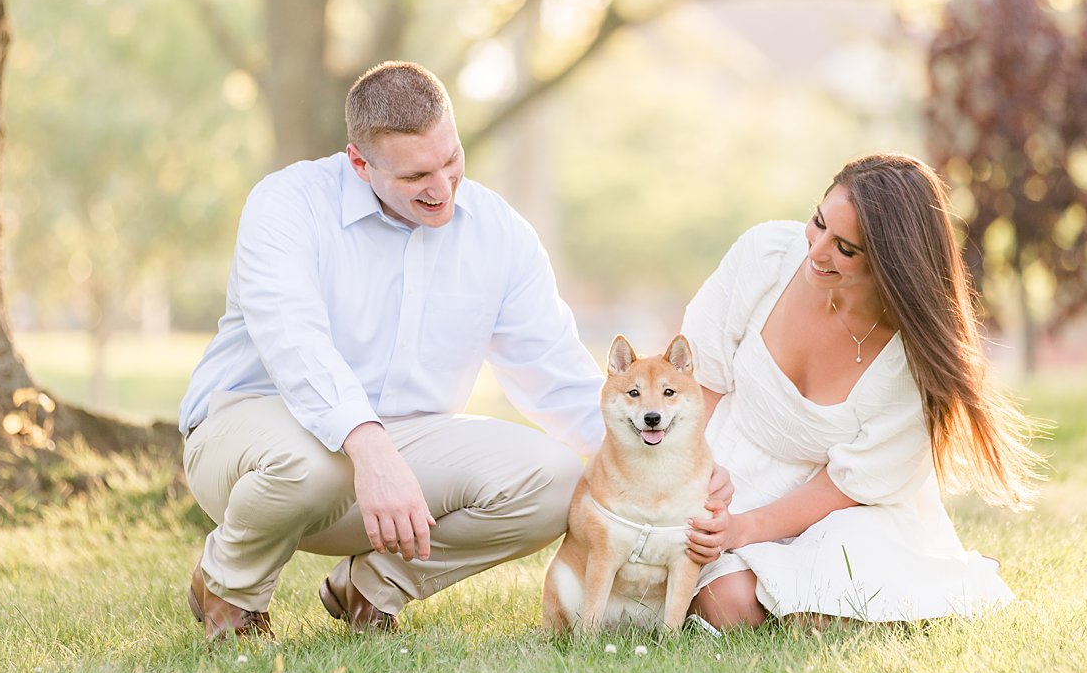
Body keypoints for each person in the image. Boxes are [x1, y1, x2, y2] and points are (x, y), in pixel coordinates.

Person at [178, 61, 729, 640]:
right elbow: (294, 343)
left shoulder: (498, 232)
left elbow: (559, 379)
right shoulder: (288, 204)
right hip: (253, 434)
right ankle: (229, 588)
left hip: (405, 448)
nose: (441, 189)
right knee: (314, 463)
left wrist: (680, 474)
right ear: (359, 163)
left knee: (560, 478)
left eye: (451, 161)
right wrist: (369, 447)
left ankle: (371, 590)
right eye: (416, 176)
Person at [680, 153, 1043, 628]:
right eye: (818, 222)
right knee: (702, 593)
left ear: (891, 264)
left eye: (845, 248)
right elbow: (697, 385)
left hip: (839, 507)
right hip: (728, 470)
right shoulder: (766, 256)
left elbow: (845, 486)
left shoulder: (913, 365)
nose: (816, 250)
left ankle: (902, 588)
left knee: (747, 603)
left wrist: (745, 530)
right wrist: (691, 476)